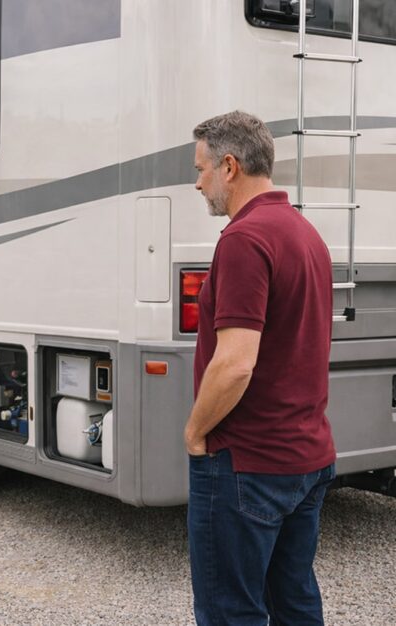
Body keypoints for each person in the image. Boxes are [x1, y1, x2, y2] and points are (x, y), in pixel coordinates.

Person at [185, 111, 337, 625]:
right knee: (293, 603)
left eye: (202, 169)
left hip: (249, 463)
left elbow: (235, 364)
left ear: (230, 166)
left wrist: (194, 431)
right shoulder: (304, 232)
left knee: (231, 612)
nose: (198, 182)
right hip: (306, 457)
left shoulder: (244, 239)